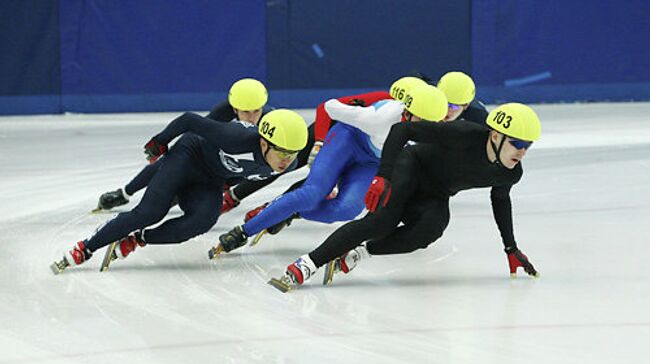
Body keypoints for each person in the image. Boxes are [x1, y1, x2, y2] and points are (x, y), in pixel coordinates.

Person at [267, 102, 542, 292]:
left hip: (435, 192)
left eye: (527, 146)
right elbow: (402, 130)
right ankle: (306, 265)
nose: (522, 152)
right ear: (495, 136)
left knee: (429, 231)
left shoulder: (510, 173)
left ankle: (360, 253)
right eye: (517, 144)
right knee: (380, 222)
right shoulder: (464, 134)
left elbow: (500, 200)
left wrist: (511, 248)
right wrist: (383, 176)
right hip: (411, 166)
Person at [51, 109, 308, 274]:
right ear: (264, 142)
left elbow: (250, 175)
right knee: (150, 211)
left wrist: (230, 192)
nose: (287, 160)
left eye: (292, 154)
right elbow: (189, 120)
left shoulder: (287, 165)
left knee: (203, 220)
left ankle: (138, 239)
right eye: (282, 152)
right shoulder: (235, 137)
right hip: (188, 156)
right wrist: (159, 143)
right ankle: (86, 247)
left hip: (211, 179)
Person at [212, 82, 449, 256]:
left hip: (370, 161)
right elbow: (328, 107)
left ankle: (292, 211)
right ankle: (243, 231)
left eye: (433, 124)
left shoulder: (431, 132)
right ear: (407, 113)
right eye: (421, 122)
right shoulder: (379, 117)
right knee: (312, 193)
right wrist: (319, 142)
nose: (426, 129)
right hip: (347, 139)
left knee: (347, 210)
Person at [93, 78, 275, 211]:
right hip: (209, 153)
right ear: (234, 108)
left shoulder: (271, 121)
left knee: (173, 197)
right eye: (245, 111)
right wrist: (164, 146)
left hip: (230, 169)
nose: (251, 117)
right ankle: (124, 193)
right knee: (165, 163)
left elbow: (261, 165)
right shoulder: (223, 112)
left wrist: (228, 186)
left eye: (256, 111)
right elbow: (194, 134)